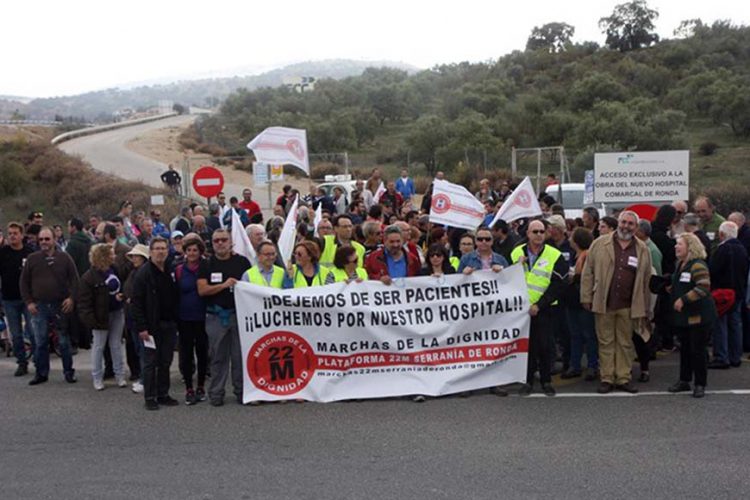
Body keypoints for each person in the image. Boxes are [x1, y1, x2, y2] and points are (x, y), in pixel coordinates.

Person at [581, 211, 653, 394]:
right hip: (604, 302)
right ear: (618, 223)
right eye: (623, 222)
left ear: (636, 228)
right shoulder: (599, 243)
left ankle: (623, 378)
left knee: (625, 343)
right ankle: (606, 378)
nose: (626, 226)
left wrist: (646, 306)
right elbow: (588, 272)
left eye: (630, 224)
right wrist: (586, 297)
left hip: (629, 305)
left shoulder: (642, 249)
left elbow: (646, 279)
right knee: (605, 342)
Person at [511, 220, 568, 397]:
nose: (538, 235)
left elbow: (559, 285)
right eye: (534, 231)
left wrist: (539, 305)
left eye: (541, 231)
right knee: (527, 348)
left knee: (545, 346)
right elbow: (507, 279)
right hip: (521, 310)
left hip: (545, 309)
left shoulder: (555, 255)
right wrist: (516, 266)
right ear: (527, 233)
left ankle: (546, 381)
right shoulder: (516, 253)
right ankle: (527, 381)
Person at [197, 229, 251, 406]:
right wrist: (223, 285)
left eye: (223, 240)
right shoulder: (206, 264)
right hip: (216, 316)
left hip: (238, 315)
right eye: (216, 241)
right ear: (212, 244)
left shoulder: (242, 262)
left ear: (230, 242)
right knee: (218, 357)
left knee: (239, 357)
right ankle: (216, 393)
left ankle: (241, 392)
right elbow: (202, 290)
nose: (220, 243)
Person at [20, 227, 79, 385]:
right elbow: (24, 283)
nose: (44, 242)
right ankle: (41, 373)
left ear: (54, 239)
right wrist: (29, 302)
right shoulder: (32, 259)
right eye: (41, 239)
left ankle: (69, 372)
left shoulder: (65, 258)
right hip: (39, 306)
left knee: (64, 342)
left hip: (60, 305)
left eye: (47, 239)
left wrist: (72, 298)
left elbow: (74, 280)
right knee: (40, 342)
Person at [131, 237, 180, 410]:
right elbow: (136, 303)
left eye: (163, 248)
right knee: (150, 362)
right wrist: (142, 327)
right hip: (151, 327)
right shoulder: (143, 274)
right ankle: (150, 397)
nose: (160, 251)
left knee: (165, 361)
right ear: (150, 252)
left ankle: (163, 394)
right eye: (157, 248)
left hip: (169, 324)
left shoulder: (170, 269)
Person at [667, 233, 717, 398]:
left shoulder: (698, 265)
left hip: (699, 316)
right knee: (686, 349)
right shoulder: (680, 263)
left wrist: (683, 299)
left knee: (698, 350)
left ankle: (700, 384)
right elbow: (681, 283)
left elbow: (703, 287)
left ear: (690, 247)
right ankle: (684, 380)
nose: (676, 246)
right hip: (685, 317)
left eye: (679, 244)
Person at [77, 243, 127, 390]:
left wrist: (121, 296)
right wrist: (92, 321)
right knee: (98, 346)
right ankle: (97, 377)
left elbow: (122, 285)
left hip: (117, 312)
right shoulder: (88, 278)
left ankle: (120, 376)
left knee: (116, 345)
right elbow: (85, 302)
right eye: (111, 254)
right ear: (103, 256)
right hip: (100, 316)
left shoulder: (115, 269)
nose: (115, 256)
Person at [708, 221, 748, 369]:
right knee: (735, 324)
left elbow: (713, 270)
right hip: (737, 292)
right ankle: (735, 356)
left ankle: (721, 356)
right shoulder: (742, 249)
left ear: (722, 234)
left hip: (722, 292)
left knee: (720, 324)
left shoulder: (722, 250)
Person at [176, 237, 208, 405]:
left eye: (195, 250)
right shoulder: (179, 270)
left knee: (202, 353)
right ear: (185, 252)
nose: (192, 253)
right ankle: (189, 387)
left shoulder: (206, 267)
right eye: (189, 250)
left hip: (202, 317)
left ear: (200, 251)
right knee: (187, 354)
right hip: (184, 317)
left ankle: (201, 386)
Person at [563, 227, 598, 381]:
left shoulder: (587, 256)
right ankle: (575, 365)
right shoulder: (575, 256)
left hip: (583, 300)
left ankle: (592, 365)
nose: (569, 239)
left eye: (572, 237)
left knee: (588, 335)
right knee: (575, 335)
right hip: (572, 301)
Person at [0, 222, 34, 376]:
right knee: (16, 334)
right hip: (9, 299)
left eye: (15, 233)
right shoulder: (3, 253)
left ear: (21, 235)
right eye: (10, 233)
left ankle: (40, 361)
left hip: (28, 299)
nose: (12, 236)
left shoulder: (29, 253)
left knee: (34, 332)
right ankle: (22, 362)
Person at [123, 244, 149, 394]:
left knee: (144, 350)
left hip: (140, 316)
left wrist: (133, 299)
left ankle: (146, 379)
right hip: (132, 316)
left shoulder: (144, 274)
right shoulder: (133, 272)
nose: (133, 259)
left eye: (136, 256)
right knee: (139, 349)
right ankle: (144, 376)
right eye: (132, 256)